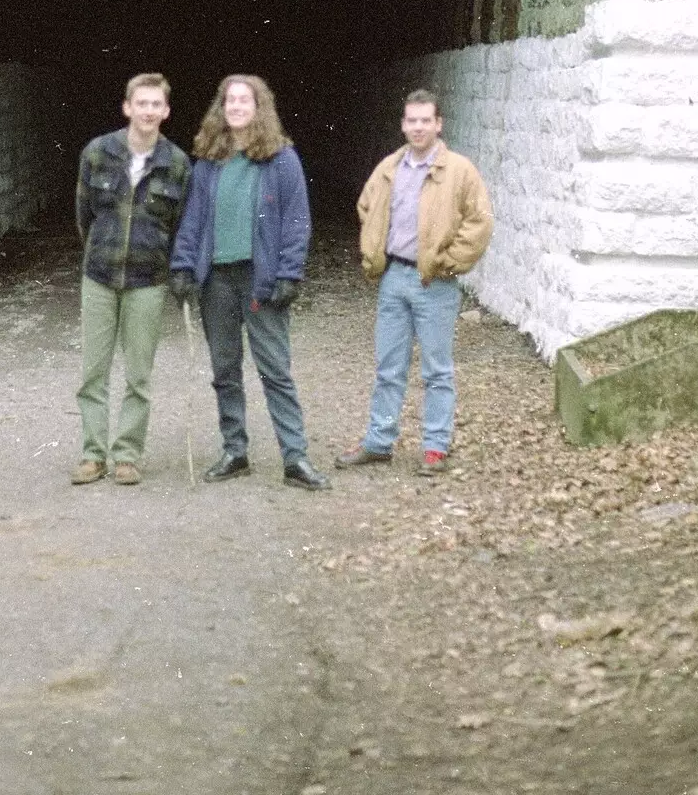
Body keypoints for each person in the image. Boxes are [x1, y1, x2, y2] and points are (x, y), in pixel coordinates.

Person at [170, 74, 330, 491]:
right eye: (230, 100)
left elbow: (297, 222)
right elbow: (193, 220)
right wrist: (184, 266)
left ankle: (295, 458)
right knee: (225, 369)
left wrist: (289, 273)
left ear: (261, 108)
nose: (237, 107)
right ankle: (234, 450)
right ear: (221, 109)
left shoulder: (281, 159)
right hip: (216, 281)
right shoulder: (208, 162)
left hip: (260, 281)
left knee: (275, 370)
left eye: (246, 100)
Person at [337, 89, 493, 477]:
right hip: (394, 277)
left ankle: (435, 447)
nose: (418, 127)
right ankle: (378, 441)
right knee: (389, 366)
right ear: (403, 124)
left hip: (434, 283)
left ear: (438, 124)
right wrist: (375, 249)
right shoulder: (390, 167)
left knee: (437, 370)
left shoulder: (459, 170)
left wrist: (450, 263)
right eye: (412, 120)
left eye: (426, 120)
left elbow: (480, 222)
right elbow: (366, 206)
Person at [72, 73, 190, 486]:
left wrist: (171, 267)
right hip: (100, 277)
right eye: (142, 103)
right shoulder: (97, 153)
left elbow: (179, 226)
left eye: (156, 105)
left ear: (166, 111)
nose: (149, 111)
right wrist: (100, 251)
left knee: (139, 374)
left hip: (148, 280)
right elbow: (84, 216)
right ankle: (92, 454)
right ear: (127, 107)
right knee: (93, 372)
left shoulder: (176, 163)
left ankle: (126, 454)